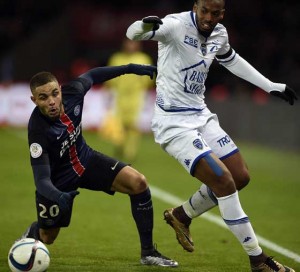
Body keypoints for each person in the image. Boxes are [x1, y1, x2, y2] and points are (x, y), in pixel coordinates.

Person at [126, 0, 297, 271]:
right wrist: (143, 25)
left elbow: (232, 60)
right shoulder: (174, 25)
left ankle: (181, 215)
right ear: (196, 7)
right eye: (204, 11)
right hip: (173, 122)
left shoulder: (220, 33)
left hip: (201, 116)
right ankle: (258, 259)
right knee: (224, 182)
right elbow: (133, 33)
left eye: (215, 13)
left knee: (240, 176)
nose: (208, 18)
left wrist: (269, 86)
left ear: (222, 13)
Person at [20, 64, 178, 267]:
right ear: (34, 100)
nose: (51, 101)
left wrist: (130, 68)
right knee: (48, 237)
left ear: (60, 89)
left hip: (85, 160)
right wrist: (58, 195)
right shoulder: (37, 130)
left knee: (138, 183)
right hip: (58, 182)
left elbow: (93, 75)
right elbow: (41, 179)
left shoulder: (74, 92)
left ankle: (148, 253)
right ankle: (33, 232)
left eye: (54, 93)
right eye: (43, 98)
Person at [101, 38, 153, 162]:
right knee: (118, 125)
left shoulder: (143, 59)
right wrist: (108, 91)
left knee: (133, 126)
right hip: (119, 96)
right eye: (128, 42)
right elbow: (109, 77)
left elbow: (149, 80)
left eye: (133, 43)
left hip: (136, 97)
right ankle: (120, 146)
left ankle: (129, 153)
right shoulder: (116, 58)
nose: (130, 45)